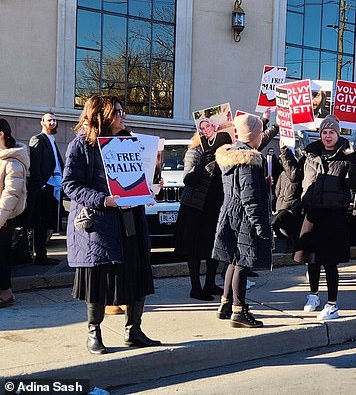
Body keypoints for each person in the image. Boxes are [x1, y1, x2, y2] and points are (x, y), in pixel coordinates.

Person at [63, 95, 160, 354]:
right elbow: (70, 185)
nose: (122, 116)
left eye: (122, 111)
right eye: (116, 112)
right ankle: (94, 332)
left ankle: (134, 330)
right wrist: (103, 200)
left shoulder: (130, 142)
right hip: (99, 224)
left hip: (131, 220)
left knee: (137, 272)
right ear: (100, 115)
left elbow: (139, 177)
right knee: (98, 281)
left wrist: (148, 190)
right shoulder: (81, 145)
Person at [294, 115, 356, 320]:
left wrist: (355, 162)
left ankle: (332, 304)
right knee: (312, 260)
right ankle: (313, 295)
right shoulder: (311, 154)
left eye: (331, 132)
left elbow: (354, 184)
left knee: (330, 262)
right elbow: (300, 178)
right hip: (313, 212)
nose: (327, 136)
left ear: (337, 134)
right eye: (324, 132)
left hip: (334, 215)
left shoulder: (347, 155)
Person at [212, 114, 273, 328]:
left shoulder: (231, 155)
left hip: (230, 213)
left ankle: (225, 303)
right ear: (254, 135)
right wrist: (262, 227)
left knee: (233, 259)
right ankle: (239, 311)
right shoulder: (249, 160)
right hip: (244, 218)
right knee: (243, 263)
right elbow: (250, 197)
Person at [174, 131, 232, 301]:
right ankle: (196, 287)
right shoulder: (196, 151)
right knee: (194, 249)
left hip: (215, 205)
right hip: (196, 206)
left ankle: (210, 283)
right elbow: (188, 180)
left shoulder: (223, 154)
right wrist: (201, 164)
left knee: (213, 247)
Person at [26, 112, 64, 265]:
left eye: (55, 120)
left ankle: (42, 255)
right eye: (49, 120)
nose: (53, 123)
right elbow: (35, 165)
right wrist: (41, 184)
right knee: (40, 224)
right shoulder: (38, 139)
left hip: (54, 186)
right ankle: (40, 256)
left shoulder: (52, 140)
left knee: (48, 222)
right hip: (44, 187)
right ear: (42, 122)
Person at [0, 119, 29, 308]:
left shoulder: (13, 162)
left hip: (3, 218)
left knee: (0, 257)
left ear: (1, 134)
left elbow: (11, 194)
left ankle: (6, 293)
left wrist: (0, 218)